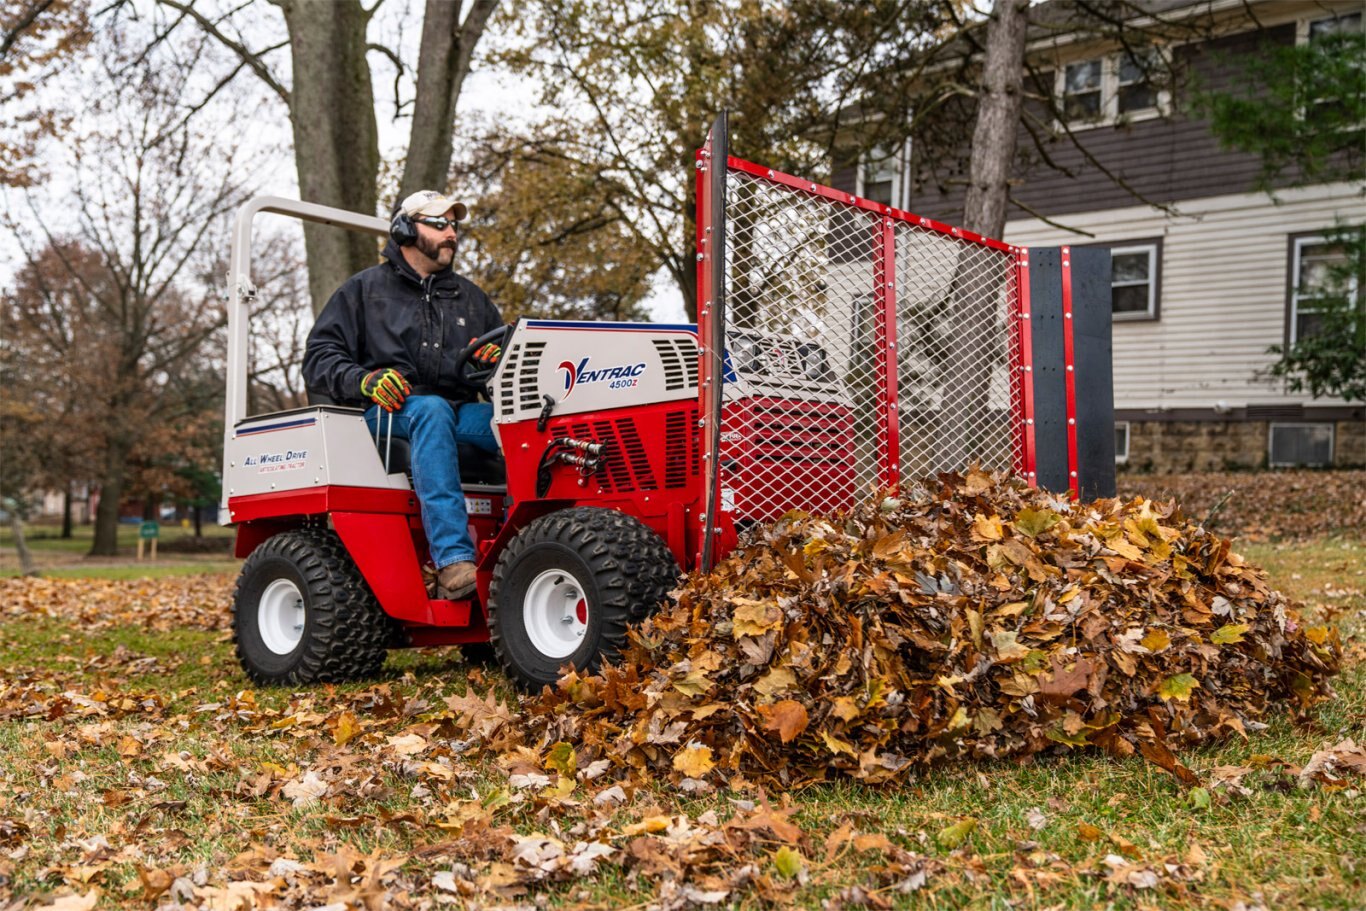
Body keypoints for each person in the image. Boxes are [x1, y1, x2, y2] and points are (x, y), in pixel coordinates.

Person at [303, 190, 504, 599]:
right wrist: (365, 381)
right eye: (440, 224)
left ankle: (516, 549)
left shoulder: (471, 298)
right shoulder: (363, 291)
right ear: (404, 229)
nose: (451, 234)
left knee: (523, 422)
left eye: (455, 226)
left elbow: (501, 371)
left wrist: (495, 364)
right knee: (429, 410)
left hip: (460, 412)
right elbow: (319, 357)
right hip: (391, 413)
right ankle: (452, 561)